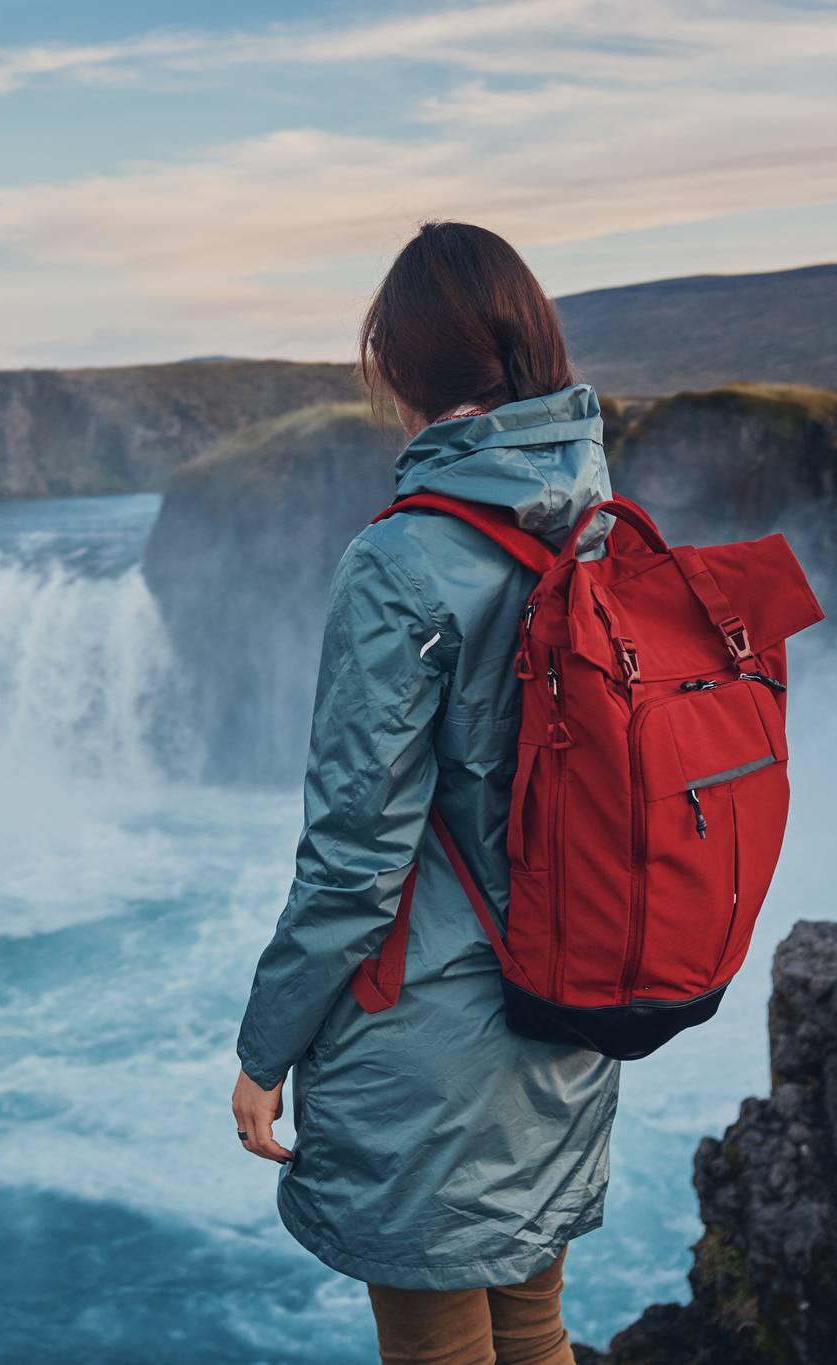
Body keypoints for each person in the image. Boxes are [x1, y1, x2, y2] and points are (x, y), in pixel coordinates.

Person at [230, 221, 620, 1365]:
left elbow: (357, 856)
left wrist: (264, 1053)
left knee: (438, 1345)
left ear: (395, 367)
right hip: (564, 996)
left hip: (426, 1033)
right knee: (533, 1326)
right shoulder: (592, 524)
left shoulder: (399, 563)